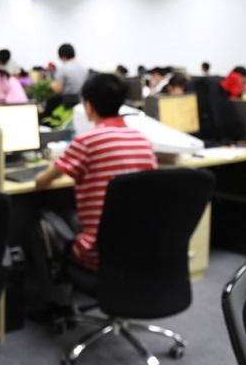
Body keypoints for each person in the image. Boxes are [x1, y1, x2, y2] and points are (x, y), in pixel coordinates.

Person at [34, 74, 158, 271]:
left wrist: (51, 166)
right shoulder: (143, 140)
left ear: (88, 106)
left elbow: (41, 182)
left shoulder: (86, 142)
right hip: (140, 248)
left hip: (98, 254)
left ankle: (52, 290)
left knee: (35, 220)